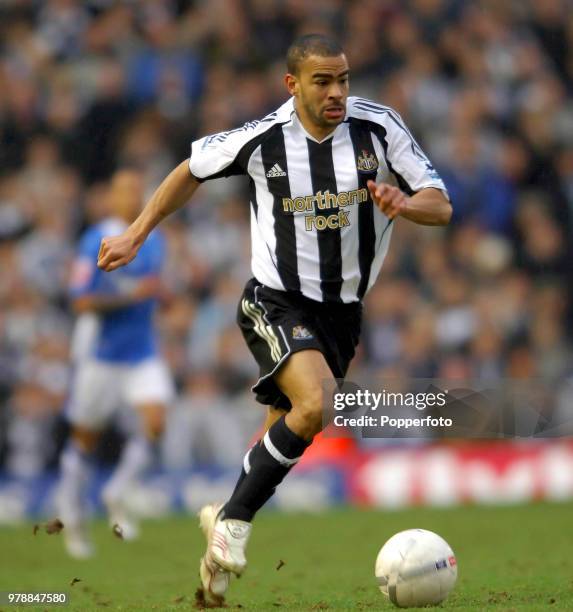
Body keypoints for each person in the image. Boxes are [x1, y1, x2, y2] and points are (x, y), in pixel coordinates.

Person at [97, 34, 452, 601]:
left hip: (342, 316)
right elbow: (190, 168)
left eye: (343, 80)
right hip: (274, 299)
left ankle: (221, 537)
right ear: (293, 85)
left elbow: (441, 202)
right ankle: (233, 526)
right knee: (316, 404)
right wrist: (136, 234)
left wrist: (404, 204)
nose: (336, 92)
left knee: (287, 432)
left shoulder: (380, 128)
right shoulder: (264, 137)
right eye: (322, 81)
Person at [57, 168, 174, 559]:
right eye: (124, 190)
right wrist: (131, 297)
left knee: (156, 420)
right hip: (100, 354)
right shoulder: (94, 239)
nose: (131, 197)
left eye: (137, 190)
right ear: (111, 197)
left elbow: (155, 291)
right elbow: (80, 301)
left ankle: (117, 491)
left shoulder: (154, 239)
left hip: (141, 350)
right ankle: (72, 515)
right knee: (85, 439)